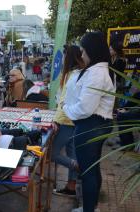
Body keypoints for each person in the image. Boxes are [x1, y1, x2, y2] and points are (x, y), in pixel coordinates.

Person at [62, 32, 115, 212]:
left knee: (87, 172)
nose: (81, 55)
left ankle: (89, 209)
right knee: (92, 169)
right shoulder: (96, 71)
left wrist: (66, 108)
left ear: (91, 50)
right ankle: (90, 207)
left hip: (91, 125)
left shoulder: (96, 74)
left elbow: (85, 108)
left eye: (83, 51)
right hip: (93, 124)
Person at [51, 45, 85, 197]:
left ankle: (78, 167)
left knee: (53, 154)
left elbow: (64, 101)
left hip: (66, 121)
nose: (63, 58)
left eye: (64, 55)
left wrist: (56, 121)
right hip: (75, 120)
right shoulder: (80, 74)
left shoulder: (71, 75)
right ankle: (71, 187)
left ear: (68, 57)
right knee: (72, 154)